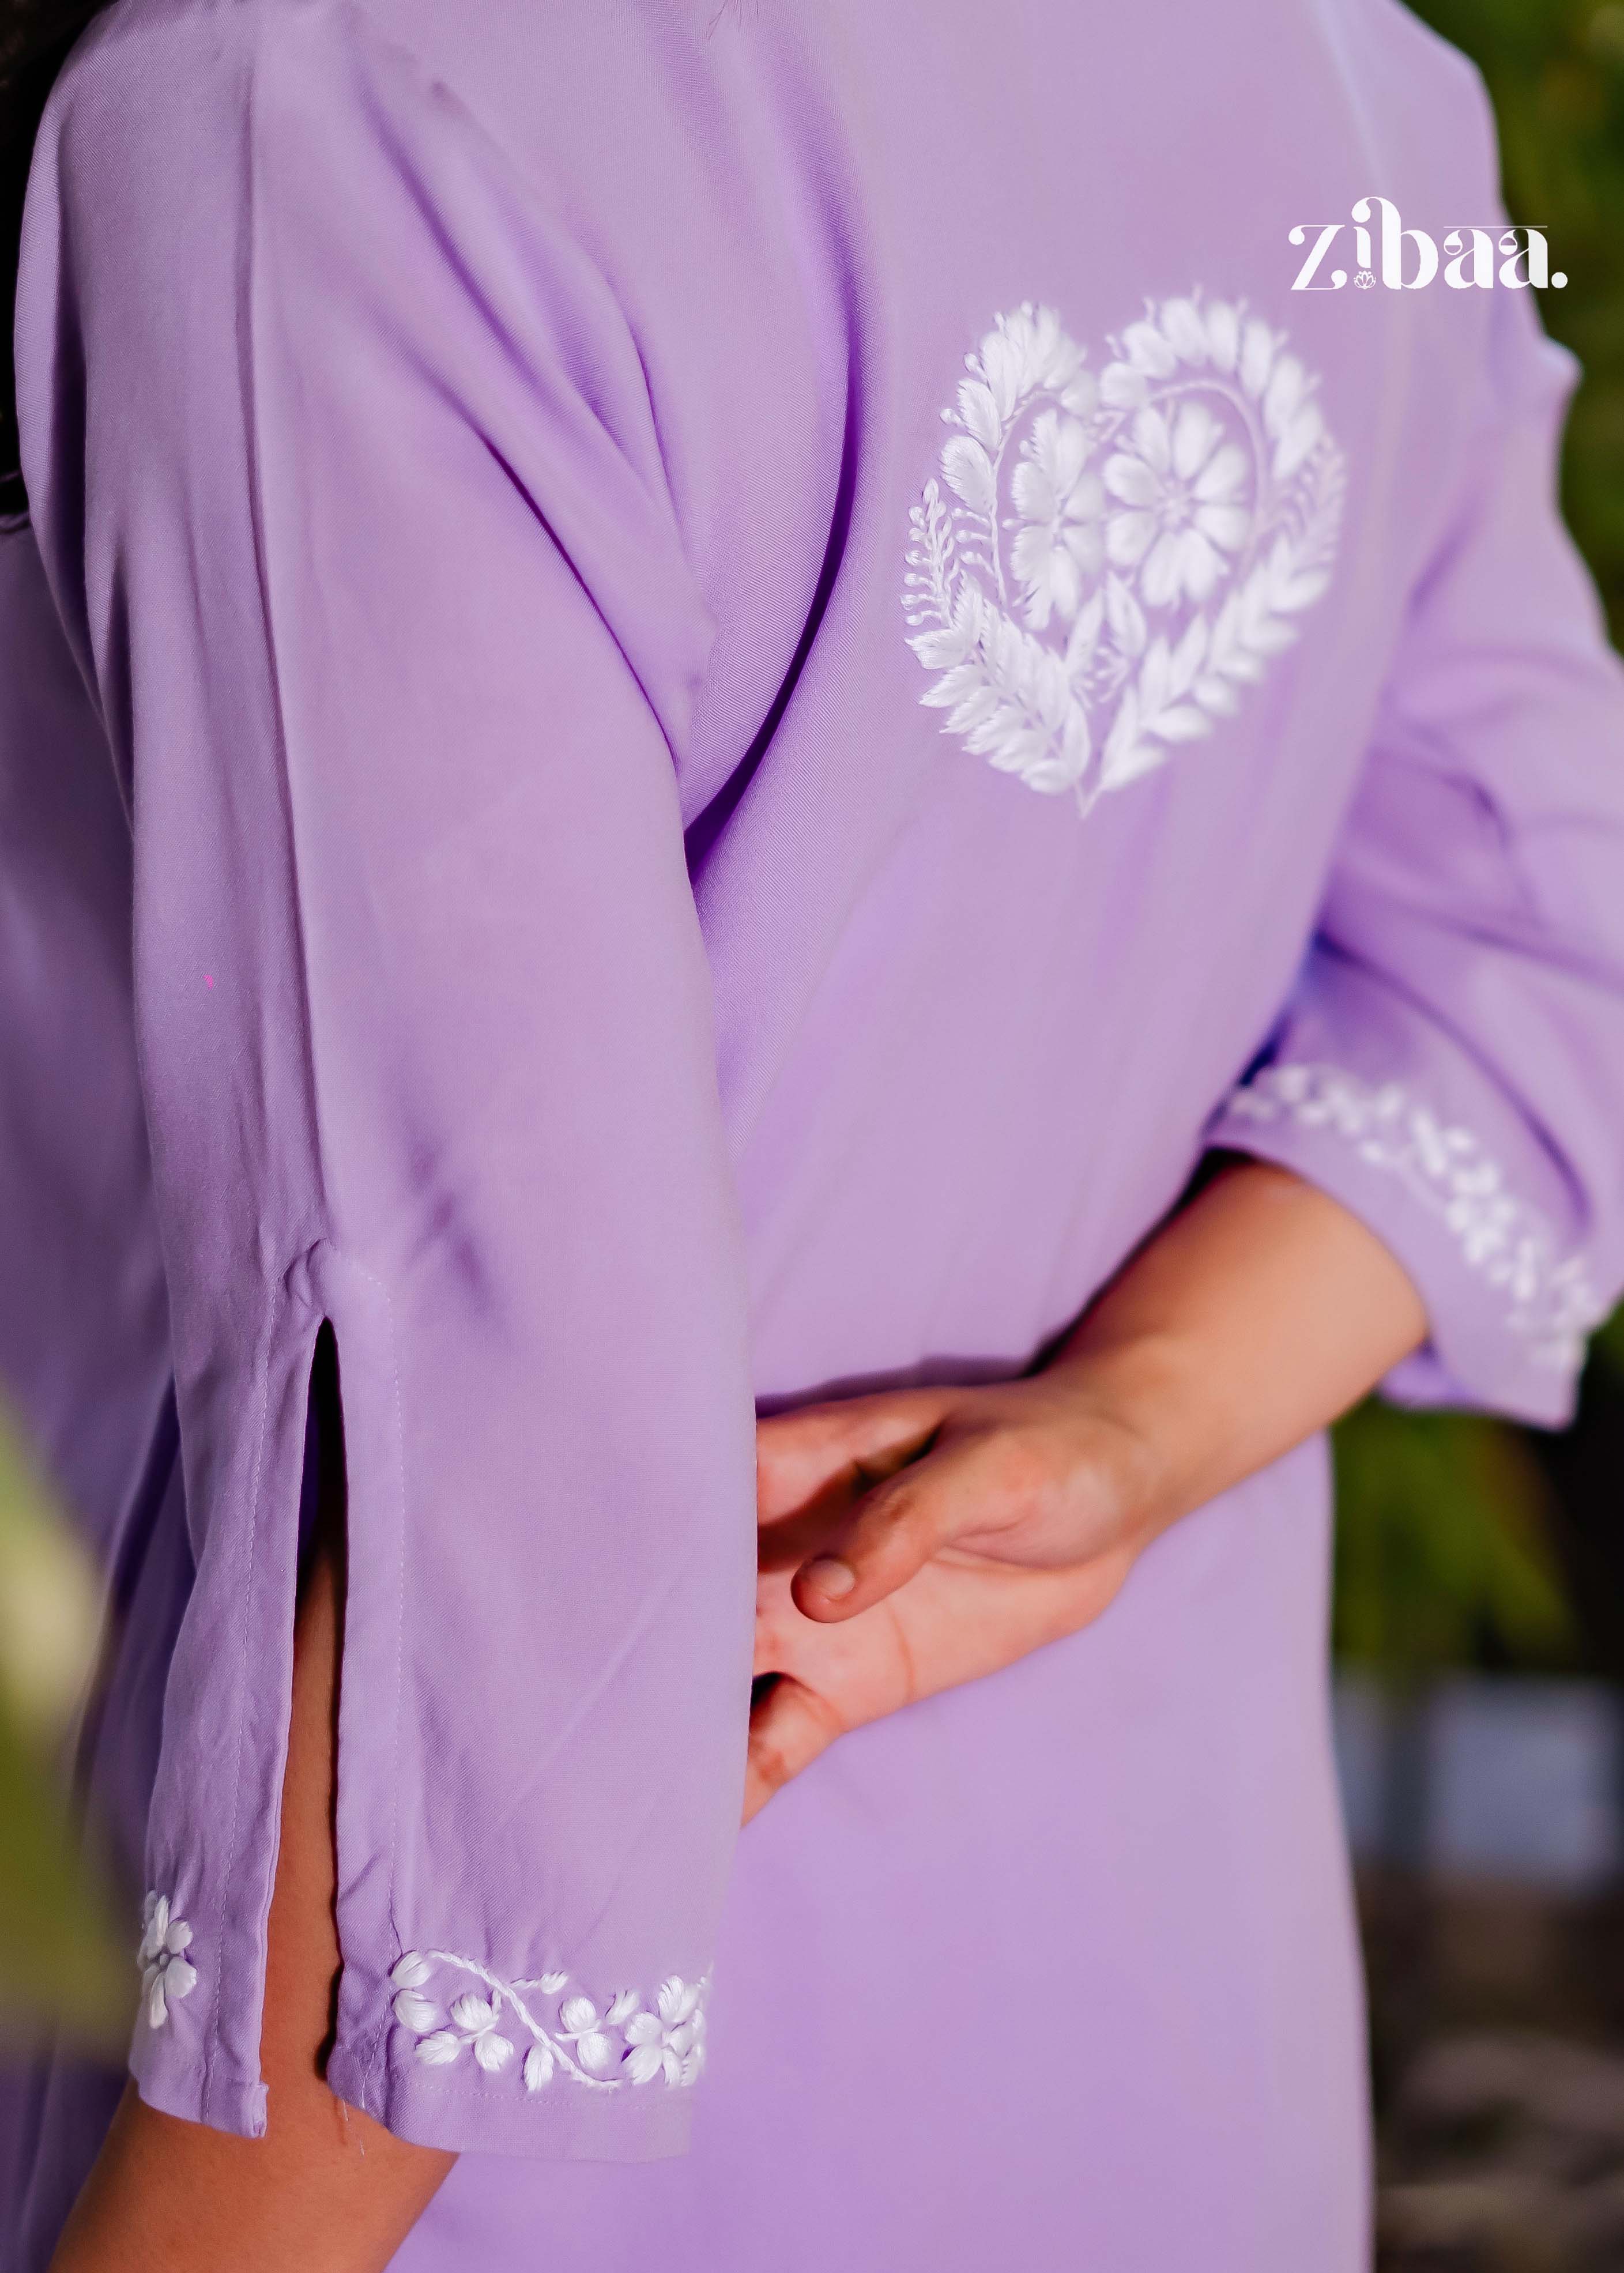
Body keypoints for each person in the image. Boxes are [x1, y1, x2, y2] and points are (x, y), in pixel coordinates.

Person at [3, 0, 1624, 2266]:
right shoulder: (1367, 91)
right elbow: (1544, 952)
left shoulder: (315, 105)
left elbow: (493, 1437)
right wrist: (1126, 1428)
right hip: (1156, 2072)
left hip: (389, 2158)